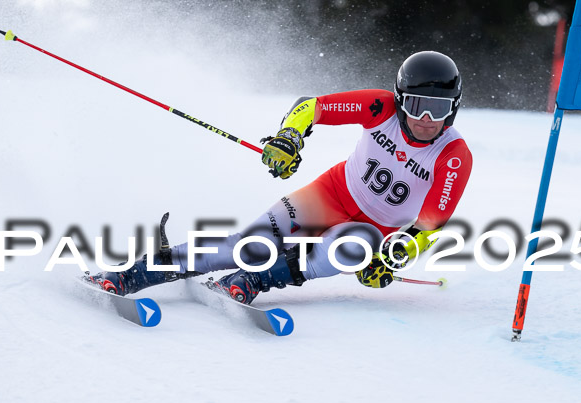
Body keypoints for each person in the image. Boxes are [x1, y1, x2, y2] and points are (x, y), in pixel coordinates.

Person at [88, 51, 473, 304]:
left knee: (356, 244)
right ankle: (136, 273)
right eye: (417, 106)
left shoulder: (454, 156)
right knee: (250, 244)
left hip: (374, 229)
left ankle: (252, 282)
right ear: (399, 99)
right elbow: (313, 107)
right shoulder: (379, 106)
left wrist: (394, 258)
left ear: (453, 109)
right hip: (332, 193)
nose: (427, 120)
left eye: (438, 110)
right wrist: (289, 137)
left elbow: (431, 225)